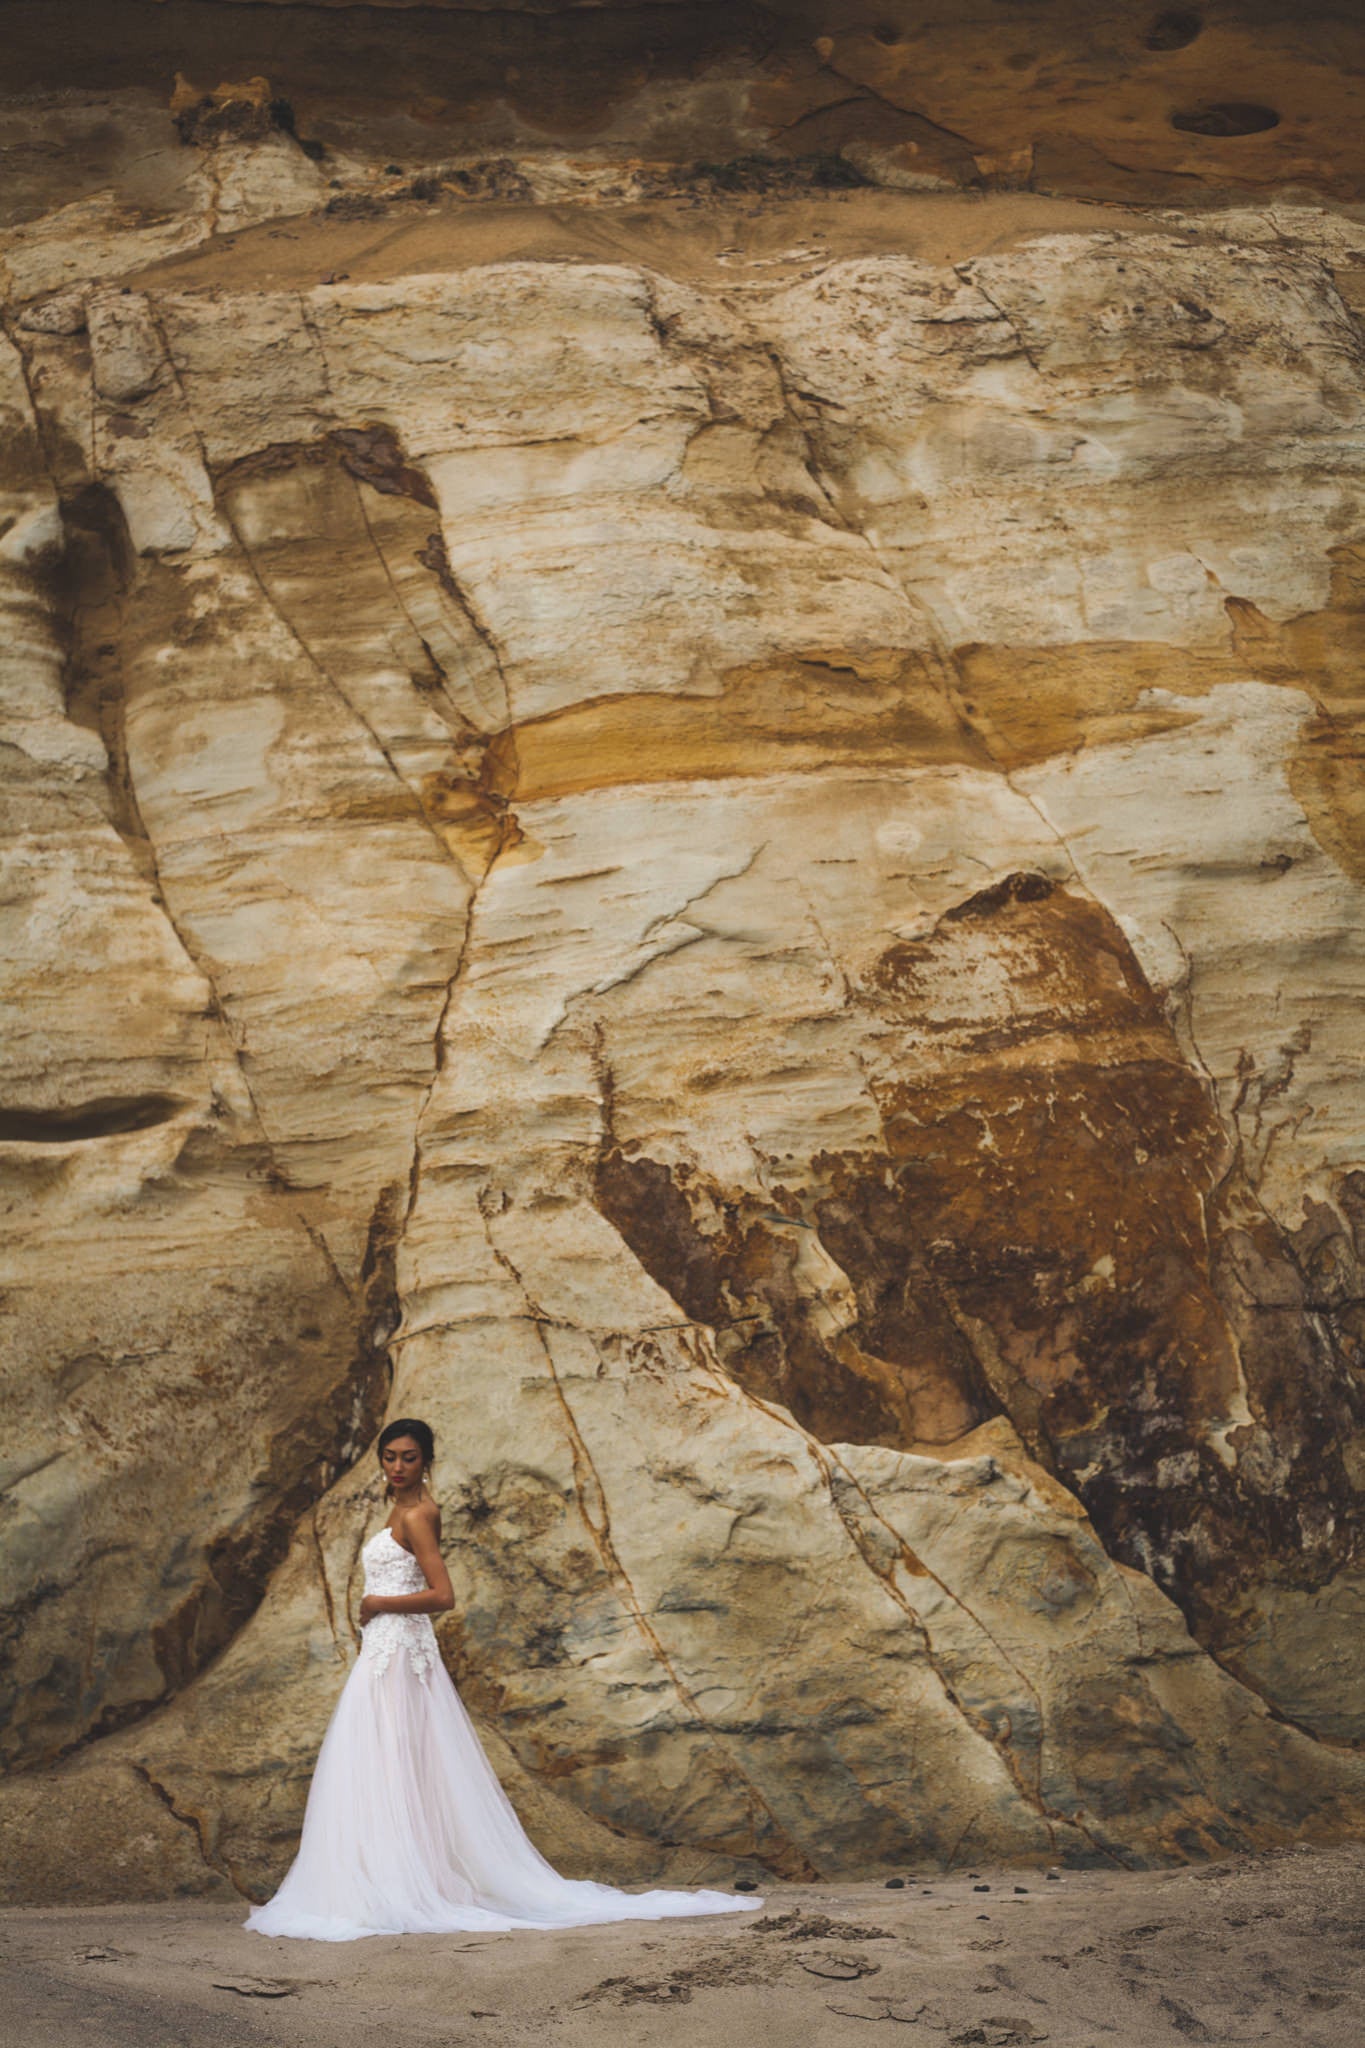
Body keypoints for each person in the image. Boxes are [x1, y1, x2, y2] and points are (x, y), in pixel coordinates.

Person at [245, 1416, 762, 1940]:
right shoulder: (402, 1510)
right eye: (390, 1457)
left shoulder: (419, 1515)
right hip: (391, 1646)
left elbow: (443, 1595)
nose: (398, 1467)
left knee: (393, 1753)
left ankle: (404, 1884)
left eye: (409, 1457)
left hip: (399, 1649)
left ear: (426, 1461)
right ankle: (403, 1875)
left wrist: (377, 1602)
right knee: (390, 1758)